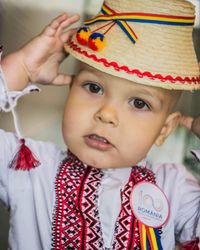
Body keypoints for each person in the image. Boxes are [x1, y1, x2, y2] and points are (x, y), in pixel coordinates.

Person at [0, 0, 200, 250]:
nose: (106, 114)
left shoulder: (175, 189)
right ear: (70, 90)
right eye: (93, 87)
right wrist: (18, 69)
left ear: (164, 130)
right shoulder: (28, 167)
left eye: (139, 103)